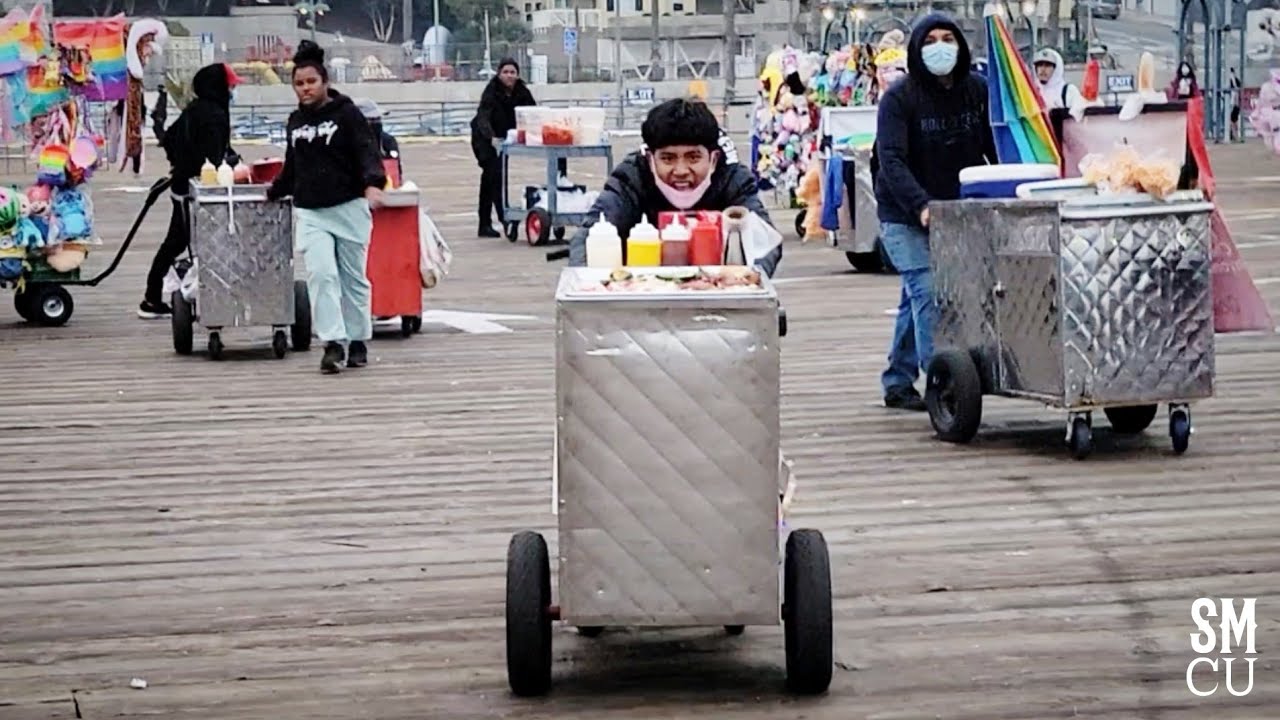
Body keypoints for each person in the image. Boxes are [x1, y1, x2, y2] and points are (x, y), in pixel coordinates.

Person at [873, 13, 997, 411]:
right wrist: (920, 206)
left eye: (948, 38)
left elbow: (995, 146)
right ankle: (944, 384)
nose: (939, 47)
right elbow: (891, 160)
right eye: (930, 41)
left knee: (915, 297)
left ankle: (897, 379)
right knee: (929, 292)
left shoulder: (978, 90)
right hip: (905, 213)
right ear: (916, 48)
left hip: (958, 211)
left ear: (961, 46)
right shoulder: (899, 98)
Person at [268, 41, 387, 375]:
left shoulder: (348, 114)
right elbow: (293, 165)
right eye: (299, 84)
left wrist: (373, 184)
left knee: (353, 279)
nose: (306, 89)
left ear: (324, 81)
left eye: (311, 82)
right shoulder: (294, 122)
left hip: (349, 206)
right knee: (321, 274)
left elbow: (367, 151)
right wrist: (275, 189)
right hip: (311, 210)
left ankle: (358, 338)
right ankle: (332, 343)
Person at [567, 98, 783, 277]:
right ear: (651, 159)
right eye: (668, 158)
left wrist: (752, 275)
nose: (681, 170)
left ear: (714, 159)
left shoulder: (733, 180)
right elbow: (587, 236)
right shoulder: (631, 178)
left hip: (717, 293)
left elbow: (765, 241)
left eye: (693, 157)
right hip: (641, 296)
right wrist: (592, 282)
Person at [138, 63, 240, 319]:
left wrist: (180, 164)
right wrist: (229, 164)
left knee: (180, 241)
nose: (232, 91)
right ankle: (153, 297)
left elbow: (169, 138)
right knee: (180, 242)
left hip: (182, 186)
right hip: (196, 192)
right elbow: (213, 157)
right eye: (230, 86)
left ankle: (163, 293)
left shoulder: (194, 109)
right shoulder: (215, 114)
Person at [470, 58, 535, 238]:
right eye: (505, 72)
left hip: (504, 139)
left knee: (495, 177)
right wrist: (491, 138)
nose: (509, 76)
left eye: (512, 72)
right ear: (499, 74)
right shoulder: (491, 90)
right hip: (484, 138)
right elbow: (483, 116)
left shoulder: (522, 91)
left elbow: (533, 113)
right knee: (493, 175)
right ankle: (499, 219)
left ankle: (493, 221)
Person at [355, 97, 401, 180]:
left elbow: (396, 171)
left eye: (378, 118)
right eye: (371, 119)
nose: (376, 122)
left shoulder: (387, 141)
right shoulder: (343, 141)